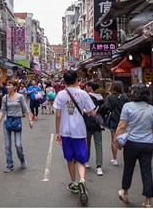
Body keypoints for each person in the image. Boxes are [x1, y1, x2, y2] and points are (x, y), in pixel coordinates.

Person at [53, 70, 96, 205]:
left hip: (66, 132)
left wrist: (57, 132)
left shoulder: (60, 94)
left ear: (64, 81)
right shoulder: (83, 94)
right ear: (77, 80)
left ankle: (74, 183)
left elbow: (58, 115)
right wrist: (84, 110)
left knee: (70, 159)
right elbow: (93, 112)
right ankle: (82, 180)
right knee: (81, 159)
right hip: (80, 131)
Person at [115, 83, 153, 208]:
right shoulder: (151, 109)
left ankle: (125, 193)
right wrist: (152, 141)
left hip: (132, 144)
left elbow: (122, 126)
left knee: (128, 168)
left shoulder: (127, 106)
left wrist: (116, 140)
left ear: (134, 93)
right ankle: (148, 201)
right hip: (147, 144)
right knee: (147, 171)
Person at [0, 80, 33, 173]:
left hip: (17, 121)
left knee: (18, 144)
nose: (8, 87)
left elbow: (26, 108)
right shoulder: (5, 98)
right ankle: (9, 164)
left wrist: (30, 120)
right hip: (7, 122)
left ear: (15, 87)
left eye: (10, 85)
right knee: (7, 145)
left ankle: (22, 159)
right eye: (7, 85)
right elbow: (2, 110)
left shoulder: (20, 96)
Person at [101, 80, 129, 166]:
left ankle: (115, 159)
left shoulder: (110, 97)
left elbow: (105, 108)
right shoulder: (125, 97)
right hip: (124, 121)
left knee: (114, 140)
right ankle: (127, 159)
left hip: (113, 120)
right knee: (126, 139)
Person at [85, 81, 104, 176]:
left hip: (87, 123)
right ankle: (99, 166)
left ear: (90, 87)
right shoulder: (101, 97)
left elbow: (84, 109)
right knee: (98, 144)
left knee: (87, 143)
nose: (86, 87)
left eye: (87, 86)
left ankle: (86, 161)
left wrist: (84, 111)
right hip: (97, 123)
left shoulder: (87, 97)